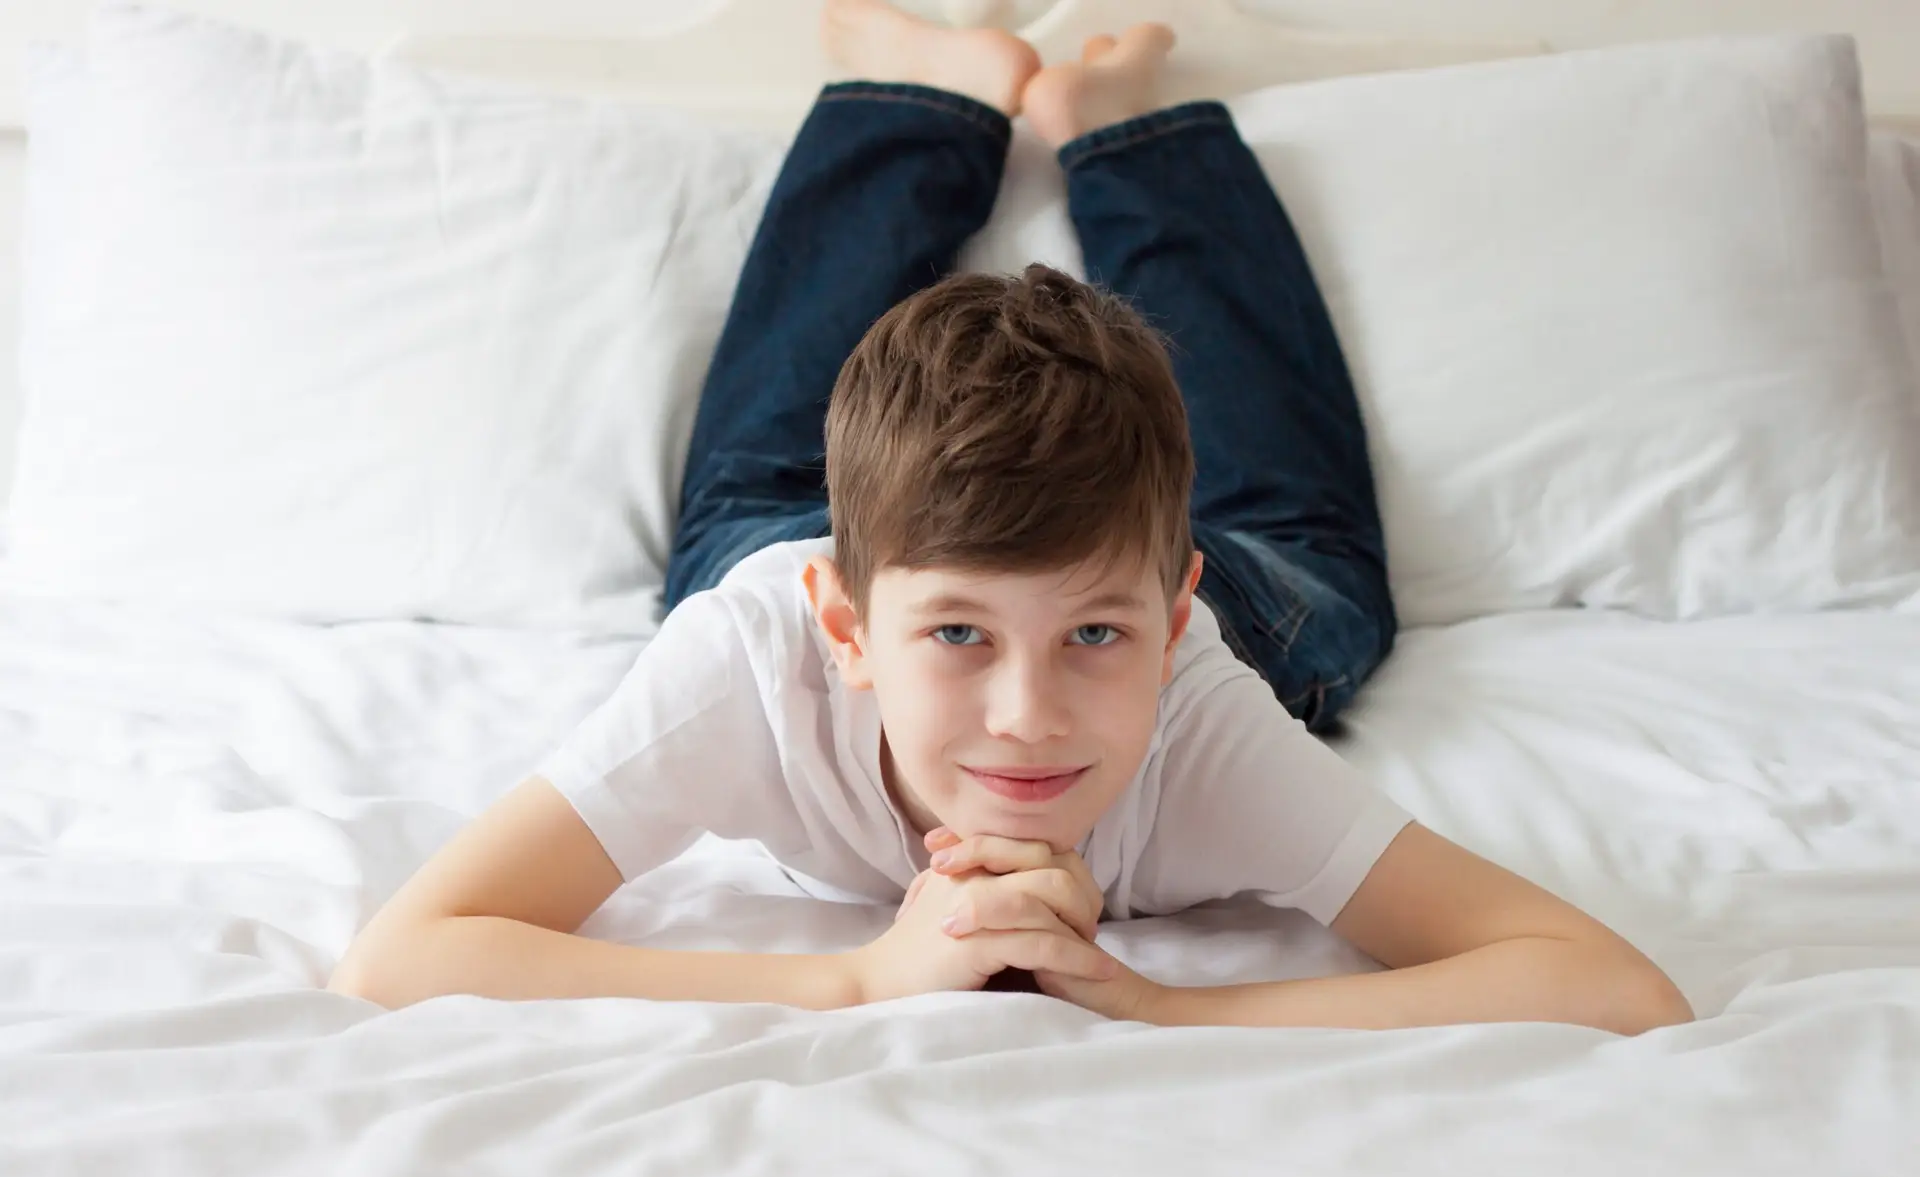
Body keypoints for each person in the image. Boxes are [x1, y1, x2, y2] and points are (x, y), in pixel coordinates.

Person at [328, 0, 1692, 1034]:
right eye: (962, 638)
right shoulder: (747, 666)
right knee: (755, 503)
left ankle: (1129, 128)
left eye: (1098, 634)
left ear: (1168, 626)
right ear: (846, 630)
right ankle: (914, 98)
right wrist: (863, 978)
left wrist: (1159, 1006)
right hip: (797, 567)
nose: (1028, 715)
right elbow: (403, 952)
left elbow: (1610, 983)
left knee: (1312, 572)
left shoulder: (1204, 717)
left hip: (1141, 595)